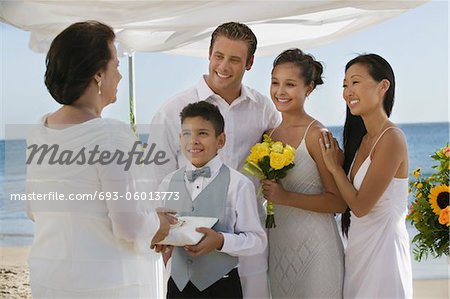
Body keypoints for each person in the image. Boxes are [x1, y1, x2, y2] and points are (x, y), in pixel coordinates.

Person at [26, 21, 174, 298]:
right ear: (97, 75)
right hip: (106, 284)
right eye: (115, 65)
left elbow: (33, 210)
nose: (119, 75)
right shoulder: (110, 135)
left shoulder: (38, 131)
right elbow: (128, 226)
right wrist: (160, 224)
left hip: (50, 278)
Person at [149, 22, 279, 298]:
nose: (223, 66)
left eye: (234, 59)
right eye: (219, 56)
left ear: (250, 63)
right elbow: (156, 178)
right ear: (209, 53)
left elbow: (278, 156)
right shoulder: (171, 111)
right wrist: (166, 237)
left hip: (247, 248)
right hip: (190, 250)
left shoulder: (264, 109)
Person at [320, 54, 413, 298]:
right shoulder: (361, 141)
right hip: (358, 252)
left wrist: (334, 168)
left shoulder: (392, 138)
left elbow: (360, 207)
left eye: (355, 82)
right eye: (344, 85)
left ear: (383, 86)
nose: (348, 91)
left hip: (384, 256)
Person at [156, 101, 267, 298]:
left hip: (222, 287)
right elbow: (165, 228)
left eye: (203, 133)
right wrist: (161, 238)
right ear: (180, 138)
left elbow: (257, 240)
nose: (194, 141)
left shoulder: (238, 184)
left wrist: (220, 241)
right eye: (187, 134)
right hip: (178, 286)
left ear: (221, 140)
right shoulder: (167, 183)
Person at [260, 48, 345, 298]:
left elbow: (338, 202)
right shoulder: (268, 136)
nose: (279, 91)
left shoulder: (318, 135)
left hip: (318, 251)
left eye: (289, 84)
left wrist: (284, 197)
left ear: (308, 88)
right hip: (279, 248)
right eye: (275, 83)